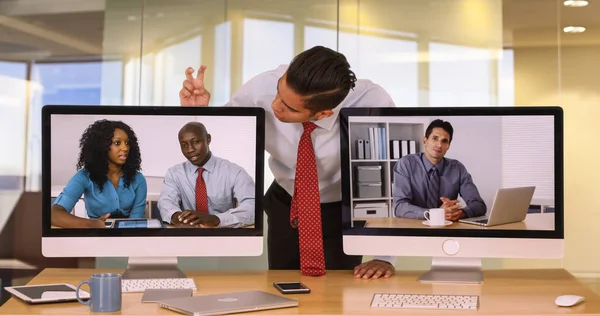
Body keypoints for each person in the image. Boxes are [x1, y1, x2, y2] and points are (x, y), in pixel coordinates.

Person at [179, 46, 396, 279]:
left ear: (323, 114)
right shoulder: (261, 86)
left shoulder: (372, 105)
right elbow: (227, 129)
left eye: (289, 107)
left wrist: (384, 256)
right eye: (278, 92)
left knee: (336, 289)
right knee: (283, 283)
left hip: (342, 207)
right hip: (286, 200)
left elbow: (391, 180)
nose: (275, 106)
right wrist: (200, 112)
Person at [51, 120, 147, 228]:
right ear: (102, 146)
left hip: (128, 237)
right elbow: (54, 215)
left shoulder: (138, 179)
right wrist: (92, 224)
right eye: (117, 143)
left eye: (127, 143)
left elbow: (136, 222)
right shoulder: (84, 176)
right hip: (95, 236)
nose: (125, 148)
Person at [157, 122, 255, 228]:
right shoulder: (174, 174)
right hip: (188, 233)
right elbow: (166, 201)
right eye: (184, 145)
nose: (190, 149)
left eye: (195, 142)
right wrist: (178, 218)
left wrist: (216, 219)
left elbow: (253, 206)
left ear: (208, 139)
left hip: (223, 235)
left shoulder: (234, 172)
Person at [392, 119, 486, 221]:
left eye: (444, 141)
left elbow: (479, 205)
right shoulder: (406, 164)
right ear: (425, 141)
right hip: (415, 228)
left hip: (447, 228)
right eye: (435, 138)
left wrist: (459, 213)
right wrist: (434, 214)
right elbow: (399, 207)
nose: (439, 145)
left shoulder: (457, 168)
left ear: (448, 146)